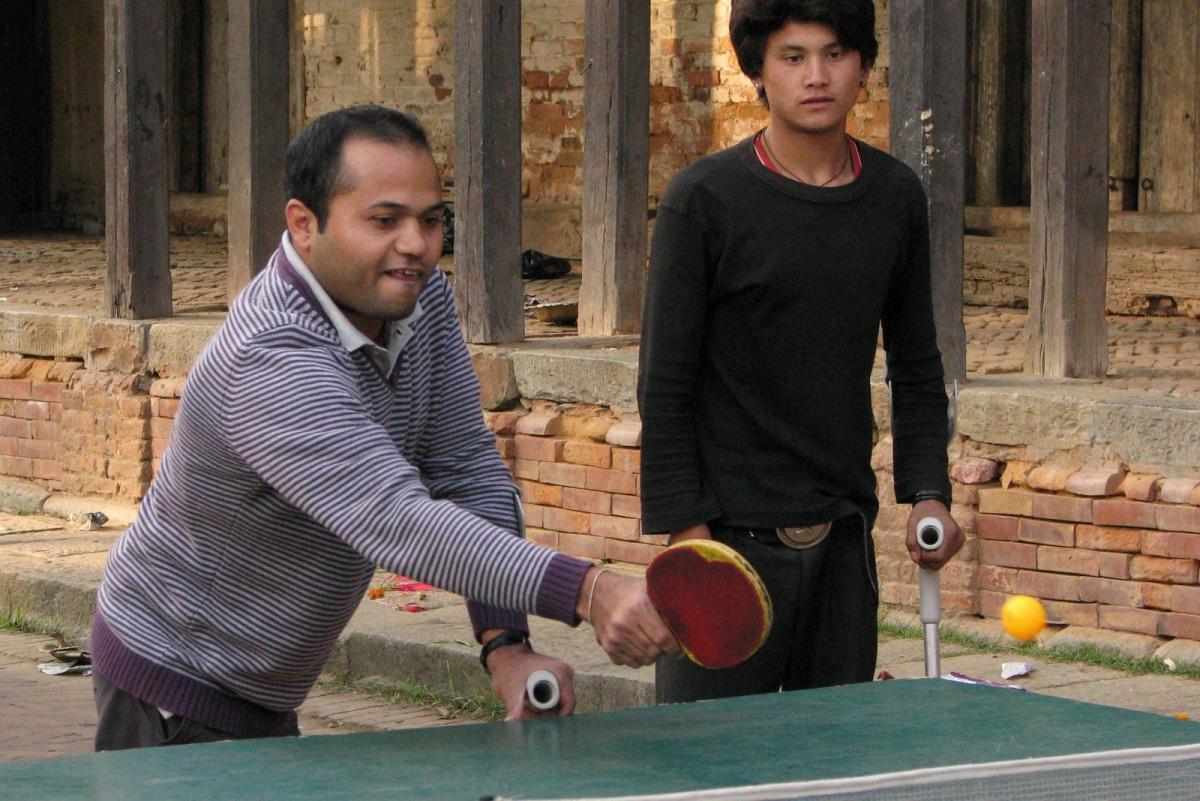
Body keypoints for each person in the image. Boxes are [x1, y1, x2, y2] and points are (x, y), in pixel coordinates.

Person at [91, 105, 677, 750]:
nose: (417, 244)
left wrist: (506, 644)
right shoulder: (270, 359)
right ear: (304, 224)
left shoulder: (417, 297)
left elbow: (467, 471)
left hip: (265, 678)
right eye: (384, 220)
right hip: (178, 676)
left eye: (430, 220)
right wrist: (591, 590)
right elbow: (395, 519)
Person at [638, 0, 963, 704]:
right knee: (707, 767)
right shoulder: (705, 200)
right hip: (729, 537)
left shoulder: (895, 196)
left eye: (835, 53)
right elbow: (665, 382)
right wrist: (690, 545)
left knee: (833, 764)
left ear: (864, 69)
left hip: (843, 537)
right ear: (757, 70)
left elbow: (916, 361)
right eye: (793, 57)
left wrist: (927, 490)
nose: (816, 76)